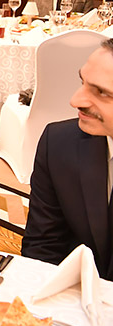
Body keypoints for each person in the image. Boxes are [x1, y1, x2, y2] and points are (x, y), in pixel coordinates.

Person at [22, 39, 113, 279]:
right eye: (82, 82)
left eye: (102, 92)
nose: (75, 101)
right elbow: (43, 248)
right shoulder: (59, 144)